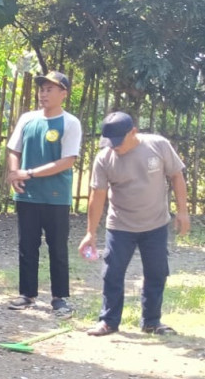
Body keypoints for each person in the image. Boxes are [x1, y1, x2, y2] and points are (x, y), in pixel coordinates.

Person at [81, 112, 191, 337]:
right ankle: (108, 321)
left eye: (118, 142)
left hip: (156, 223)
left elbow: (177, 176)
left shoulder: (158, 146)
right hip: (120, 225)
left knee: (157, 272)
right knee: (112, 272)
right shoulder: (104, 158)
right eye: (110, 143)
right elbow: (97, 195)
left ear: (134, 131)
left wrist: (183, 212)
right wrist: (90, 232)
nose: (114, 147)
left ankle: (151, 321)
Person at [5, 70, 82, 316]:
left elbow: (67, 161)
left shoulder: (70, 123)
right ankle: (27, 294)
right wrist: (15, 172)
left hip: (56, 196)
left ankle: (59, 297)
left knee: (57, 246)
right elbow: (13, 149)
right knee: (27, 245)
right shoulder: (27, 118)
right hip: (27, 194)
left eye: (50, 89)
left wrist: (28, 174)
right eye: (42, 88)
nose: (43, 93)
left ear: (63, 94)